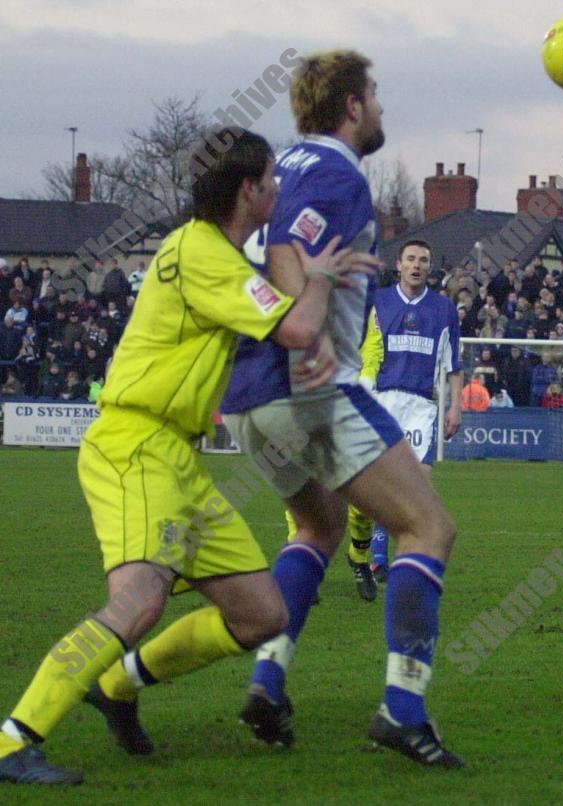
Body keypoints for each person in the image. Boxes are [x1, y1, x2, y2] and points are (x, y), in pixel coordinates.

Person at [0, 127, 372, 786]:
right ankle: (13, 739)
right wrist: (316, 278)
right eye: (271, 181)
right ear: (249, 190)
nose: (280, 190)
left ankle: (115, 682)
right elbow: (298, 328)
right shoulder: (207, 256)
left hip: (177, 457)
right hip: (137, 446)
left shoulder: (208, 251)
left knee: (261, 615)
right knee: (139, 602)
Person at [217, 51, 463, 767]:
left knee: (318, 525)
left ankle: (267, 683)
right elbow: (296, 250)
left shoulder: (277, 171)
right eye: (376, 96)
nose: (381, 109)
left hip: (245, 396)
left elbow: (253, 252)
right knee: (427, 528)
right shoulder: (335, 172)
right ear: (352, 106)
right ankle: (403, 711)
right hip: (306, 383)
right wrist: (304, 344)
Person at [343, 238, 462, 593]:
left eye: (423, 261)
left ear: (429, 268)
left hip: (422, 406)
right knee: (372, 488)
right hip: (380, 400)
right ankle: (370, 552)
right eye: (410, 259)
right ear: (398, 264)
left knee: (418, 486)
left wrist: (456, 405)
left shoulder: (443, 309)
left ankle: (394, 561)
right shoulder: (377, 302)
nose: (416, 265)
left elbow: (454, 364)